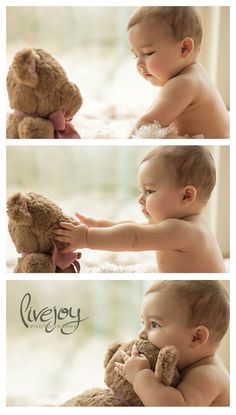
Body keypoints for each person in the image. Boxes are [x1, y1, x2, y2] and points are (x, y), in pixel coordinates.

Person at [53, 146, 226, 273]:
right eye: (141, 191)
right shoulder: (188, 222)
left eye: (150, 191)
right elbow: (137, 227)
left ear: (186, 196)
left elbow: (134, 237)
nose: (140, 199)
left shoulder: (183, 230)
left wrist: (86, 238)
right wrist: (99, 225)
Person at [114, 280, 230, 406]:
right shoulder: (190, 364)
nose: (141, 334)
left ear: (196, 338)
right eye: (143, 323)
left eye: (154, 324)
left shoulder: (208, 375)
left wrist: (140, 377)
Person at [127, 6, 229, 138]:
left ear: (184, 48)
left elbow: (147, 124)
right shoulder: (196, 73)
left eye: (148, 53)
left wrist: (129, 138)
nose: (139, 64)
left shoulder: (184, 83)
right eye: (135, 55)